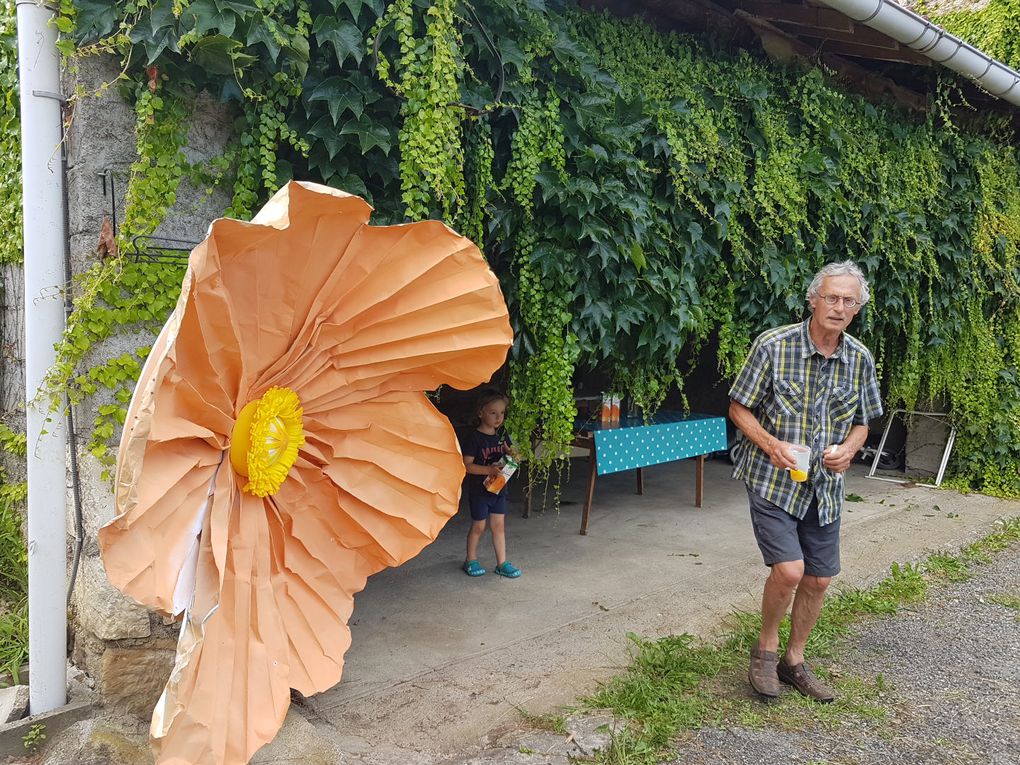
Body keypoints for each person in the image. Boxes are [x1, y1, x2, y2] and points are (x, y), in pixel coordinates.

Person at [728, 261, 882, 702]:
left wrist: (850, 450)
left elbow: (862, 423)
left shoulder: (859, 358)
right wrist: (770, 444)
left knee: (818, 579)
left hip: (825, 486)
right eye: (830, 297)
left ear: (857, 309)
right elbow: (739, 408)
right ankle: (765, 649)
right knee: (790, 570)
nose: (838, 307)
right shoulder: (773, 345)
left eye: (848, 301)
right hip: (773, 478)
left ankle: (794, 660)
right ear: (812, 299)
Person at [459, 389, 522, 578]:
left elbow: (513, 453)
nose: (498, 418)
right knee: (478, 526)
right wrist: (488, 470)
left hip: (499, 489)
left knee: (498, 526)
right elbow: (467, 466)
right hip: (480, 492)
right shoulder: (474, 438)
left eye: (502, 413)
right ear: (480, 412)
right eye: (493, 412)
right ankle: (470, 560)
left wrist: (513, 455)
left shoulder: (502, 435)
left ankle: (502, 563)